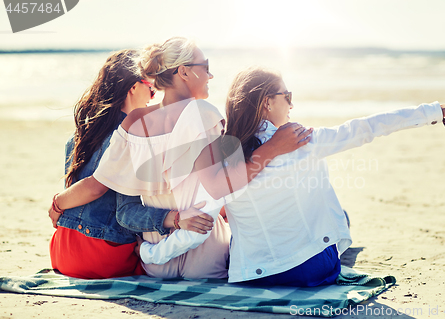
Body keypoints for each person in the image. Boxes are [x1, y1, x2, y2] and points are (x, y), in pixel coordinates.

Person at [145, 66, 445, 287]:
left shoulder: (221, 153)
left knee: (236, 223)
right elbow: (368, 127)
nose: (292, 103)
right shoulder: (302, 140)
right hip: (309, 272)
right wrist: (437, 110)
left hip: (252, 278)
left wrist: (150, 256)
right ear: (265, 103)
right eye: (286, 96)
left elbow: (201, 219)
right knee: (338, 218)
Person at [49, 38, 312, 279]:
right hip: (205, 254)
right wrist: (272, 148)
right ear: (184, 72)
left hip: (156, 263)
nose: (211, 74)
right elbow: (225, 187)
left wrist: (172, 221)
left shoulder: (133, 122)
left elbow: (125, 213)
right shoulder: (205, 113)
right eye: (205, 66)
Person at [49, 49, 215, 279]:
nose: (153, 95)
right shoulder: (132, 139)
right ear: (133, 87)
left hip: (62, 252)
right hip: (103, 257)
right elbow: (120, 207)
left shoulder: (81, 135)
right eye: (150, 86)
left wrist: (58, 203)